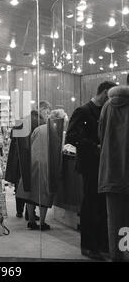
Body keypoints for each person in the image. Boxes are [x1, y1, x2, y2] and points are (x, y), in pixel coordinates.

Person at [65, 81, 116, 260]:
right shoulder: (83, 110)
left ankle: (102, 245)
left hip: (103, 165)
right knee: (90, 206)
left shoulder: (104, 110)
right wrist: (95, 146)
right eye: (109, 96)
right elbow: (71, 136)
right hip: (89, 166)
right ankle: (88, 246)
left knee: (102, 206)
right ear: (104, 93)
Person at [18, 109, 67, 230]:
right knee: (45, 193)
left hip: (32, 162)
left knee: (30, 192)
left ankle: (31, 221)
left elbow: (31, 143)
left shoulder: (39, 128)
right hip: (47, 164)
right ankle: (43, 222)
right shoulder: (58, 132)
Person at [98, 75, 129, 262]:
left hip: (111, 171)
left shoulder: (107, 106)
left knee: (115, 222)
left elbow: (101, 136)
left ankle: (117, 257)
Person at [6, 100, 51, 221]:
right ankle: (29, 214)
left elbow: (12, 135)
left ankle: (19, 211)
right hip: (31, 156)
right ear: (42, 110)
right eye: (47, 112)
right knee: (29, 185)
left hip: (17, 156)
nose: (47, 115)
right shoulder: (40, 122)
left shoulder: (22, 119)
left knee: (19, 184)